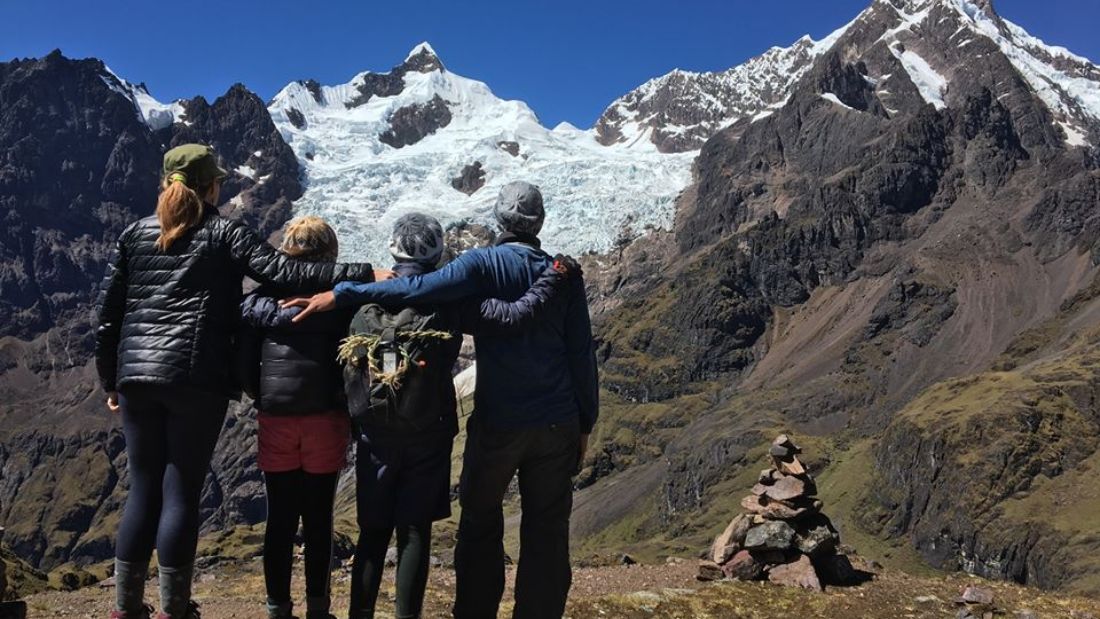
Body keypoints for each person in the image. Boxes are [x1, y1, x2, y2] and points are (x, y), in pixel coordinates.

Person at [94, 144, 385, 619]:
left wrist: (111, 377)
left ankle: (125, 608)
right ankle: (174, 608)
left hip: (135, 375)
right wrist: (366, 273)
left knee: (142, 488)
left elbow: (109, 315)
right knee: (182, 490)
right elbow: (286, 272)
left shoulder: (134, 235)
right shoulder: (223, 232)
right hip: (196, 378)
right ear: (211, 187)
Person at [286, 182, 598, 619]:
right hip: (557, 420)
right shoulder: (563, 273)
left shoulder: (480, 264)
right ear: (540, 222)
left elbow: (413, 290)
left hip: (498, 420)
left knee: (480, 521)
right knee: (547, 528)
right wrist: (586, 422)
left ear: (497, 219)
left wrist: (344, 293)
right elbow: (581, 353)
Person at [346, 213, 576, 619]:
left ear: (392, 249)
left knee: (372, 530)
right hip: (428, 434)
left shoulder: (364, 300)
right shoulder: (449, 302)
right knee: (414, 531)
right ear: (438, 255)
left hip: (374, 435)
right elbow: (514, 317)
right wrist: (552, 278)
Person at [236, 216, 356, 619]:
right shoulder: (338, 299)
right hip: (325, 418)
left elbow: (245, 363)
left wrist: (261, 393)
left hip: (277, 417)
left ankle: (277, 609)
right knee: (319, 518)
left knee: (280, 519)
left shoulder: (261, 301)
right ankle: (318, 610)